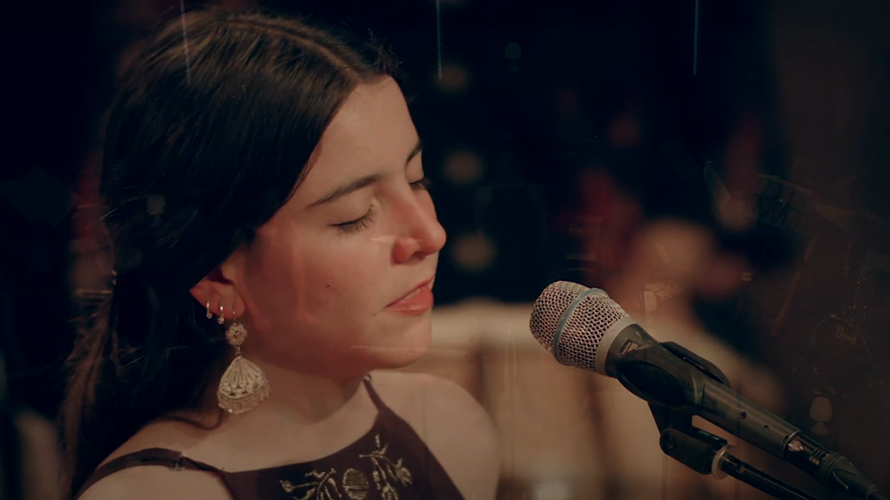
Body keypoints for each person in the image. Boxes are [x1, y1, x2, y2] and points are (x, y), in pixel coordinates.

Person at [60, 7, 499, 500]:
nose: (431, 233)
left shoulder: (450, 430)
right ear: (217, 276)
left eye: (417, 179)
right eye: (354, 214)